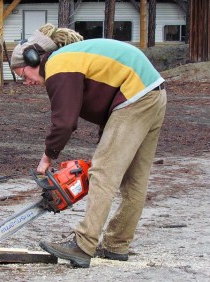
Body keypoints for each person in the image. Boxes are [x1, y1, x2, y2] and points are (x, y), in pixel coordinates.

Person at [10, 23, 167, 268]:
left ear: (33, 60)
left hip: (136, 96)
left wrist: (47, 158)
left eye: (22, 74)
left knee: (102, 173)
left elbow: (64, 122)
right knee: (134, 179)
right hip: (153, 94)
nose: (25, 82)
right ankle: (117, 245)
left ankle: (83, 245)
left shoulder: (59, 65)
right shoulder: (70, 59)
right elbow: (106, 100)